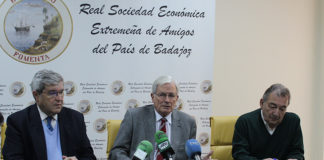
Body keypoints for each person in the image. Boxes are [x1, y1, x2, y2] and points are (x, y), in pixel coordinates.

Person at [3, 69, 96, 160]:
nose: (59, 98)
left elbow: (89, 156)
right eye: (52, 93)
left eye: (61, 92)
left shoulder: (75, 118)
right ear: (36, 95)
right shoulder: (18, 121)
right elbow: (12, 157)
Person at [109, 75, 197, 160]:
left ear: (176, 98)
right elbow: (117, 152)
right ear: (152, 97)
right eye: (162, 95)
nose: (167, 100)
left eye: (171, 95)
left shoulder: (188, 123)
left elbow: (191, 156)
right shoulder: (134, 117)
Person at [232, 83, 304, 160]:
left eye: (282, 109)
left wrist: (294, 158)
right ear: (261, 103)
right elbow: (239, 155)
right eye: (272, 107)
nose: (276, 113)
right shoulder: (245, 122)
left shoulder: (293, 121)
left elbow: (297, 152)